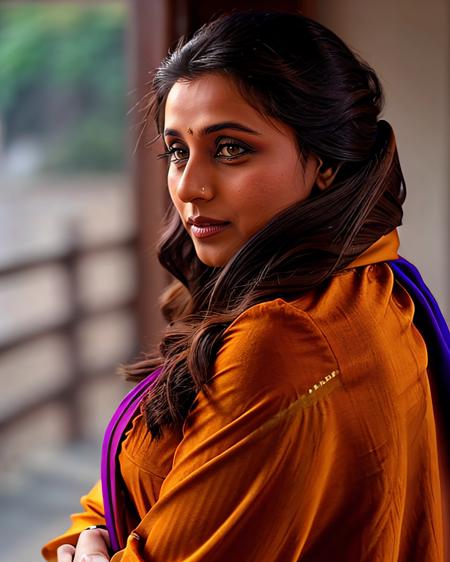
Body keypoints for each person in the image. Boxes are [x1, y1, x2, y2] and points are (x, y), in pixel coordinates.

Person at [42, 11, 449, 562]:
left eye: (231, 148)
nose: (189, 187)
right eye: (177, 151)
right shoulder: (366, 283)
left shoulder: (288, 342)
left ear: (324, 161)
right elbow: (129, 494)